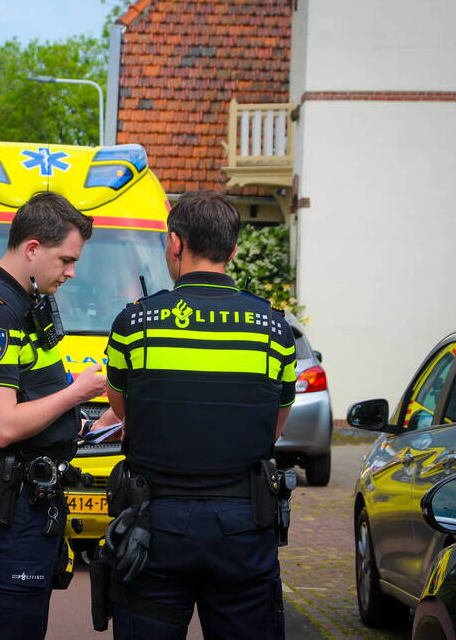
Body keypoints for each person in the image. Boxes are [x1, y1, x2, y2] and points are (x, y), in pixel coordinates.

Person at [91, 190, 297, 639]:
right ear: (234, 249)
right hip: (243, 528)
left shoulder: (135, 325)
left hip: (155, 528)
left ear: (176, 243)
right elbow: (274, 427)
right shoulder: (274, 330)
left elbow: (124, 411)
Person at [0, 192, 106, 640]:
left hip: (27, 500)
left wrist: (84, 421)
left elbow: (32, 400)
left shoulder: (20, 305)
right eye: (66, 259)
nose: (71, 272)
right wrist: (76, 392)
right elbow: (2, 427)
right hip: (10, 502)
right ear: (33, 248)